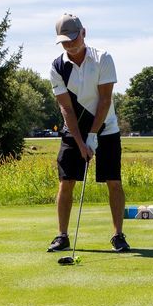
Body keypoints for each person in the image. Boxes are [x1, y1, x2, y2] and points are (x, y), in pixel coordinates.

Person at [47, 13, 130, 254]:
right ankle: (62, 236)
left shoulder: (103, 58)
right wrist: (80, 141)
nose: (70, 45)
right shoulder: (57, 67)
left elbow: (105, 100)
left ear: (84, 33)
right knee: (66, 181)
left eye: (74, 39)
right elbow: (66, 108)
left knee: (113, 181)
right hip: (73, 130)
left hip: (107, 128)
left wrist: (93, 135)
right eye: (64, 42)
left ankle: (118, 235)